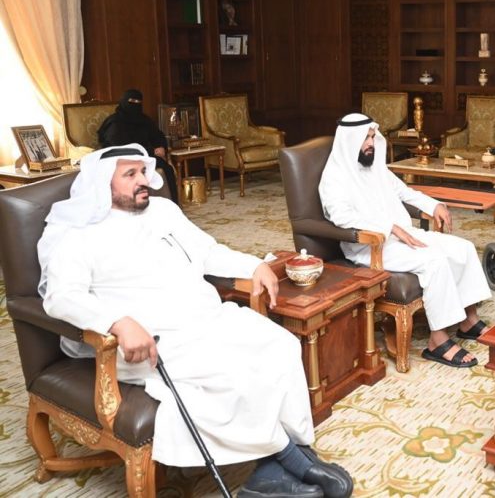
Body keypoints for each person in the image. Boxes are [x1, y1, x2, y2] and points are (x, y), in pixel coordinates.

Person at [37, 144, 352, 498]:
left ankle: (274, 469)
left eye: (143, 172)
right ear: (101, 184)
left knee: (280, 345)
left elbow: (207, 251)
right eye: (130, 175)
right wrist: (117, 322)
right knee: (232, 373)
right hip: (148, 341)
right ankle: (292, 460)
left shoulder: (163, 211)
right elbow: (61, 296)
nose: (144, 181)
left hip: (203, 318)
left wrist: (253, 266)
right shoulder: (78, 233)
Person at [319, 113, 491, 369]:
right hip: (371, 246)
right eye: (365, 138)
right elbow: (341, 217)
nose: (371, 142)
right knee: (434, 261)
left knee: (463, 248)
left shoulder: (376, 168)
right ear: (349, 140)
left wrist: (434, 205)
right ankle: (438, 340)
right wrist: (390, 228)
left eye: (372, 136)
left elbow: (405, 192)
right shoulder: (334, 176)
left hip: (403, 237)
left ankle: (468, 320)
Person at [98, 89, 179, 204]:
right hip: (123, 159)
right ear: (124, 101)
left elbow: (157, 135)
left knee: (166, 169)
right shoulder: (115, 122)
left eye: (138, 102)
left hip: (147, 156)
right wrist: (151, 151)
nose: (135, 105)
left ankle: (171, 204)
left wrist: (160, 146)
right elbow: (119, 146)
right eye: (132, 101)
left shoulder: (144, 120)